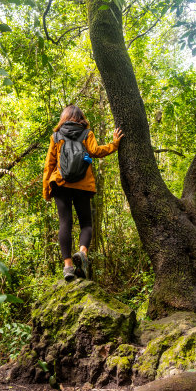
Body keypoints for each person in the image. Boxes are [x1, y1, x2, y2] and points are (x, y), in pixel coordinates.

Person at [43, 104, 124, 281]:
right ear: (81, 118)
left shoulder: (56, 136)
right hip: (82, 184)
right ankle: (82, 253)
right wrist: (114, 144)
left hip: (60, 183)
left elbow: (49, 164)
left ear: (64, 118)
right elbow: (96, 151)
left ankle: (68, 267)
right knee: (86, 223)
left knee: (65, 223)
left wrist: (47, 191)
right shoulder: (87, 134)